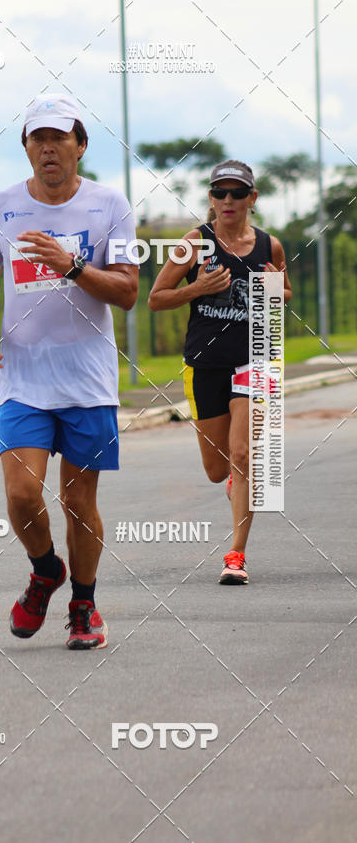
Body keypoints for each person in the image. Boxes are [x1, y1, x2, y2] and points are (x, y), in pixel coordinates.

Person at [0, 93, 138, 647]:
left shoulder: (109, 205)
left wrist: (71, 264)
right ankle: (46, 570)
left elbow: (128, 292)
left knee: (78, 502)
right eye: (37, 138)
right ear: (25, 148)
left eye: (59, 137)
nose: (47, 147)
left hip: (87, 381)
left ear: (80, 146)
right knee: (21, 495)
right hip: (23, 380)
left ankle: (85, 607)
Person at [148, 160, 291, 583]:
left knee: (244, 455)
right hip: (206, 364)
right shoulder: (194, 243)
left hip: (257, 358)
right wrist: (198, 289)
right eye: (219, 193)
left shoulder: (270, 246)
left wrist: (276, 289)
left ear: (252, 198)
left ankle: (235, 555)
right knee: (218, 468)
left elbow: (285, 293)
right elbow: (156, 298)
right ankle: (235, 484)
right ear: (211, 199)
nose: (228, 201)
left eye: (237, 193)